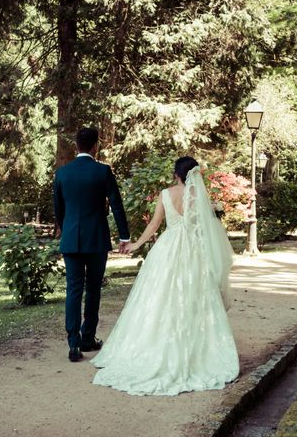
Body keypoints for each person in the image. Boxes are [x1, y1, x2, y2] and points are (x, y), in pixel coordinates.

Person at [91, 156, 239, 395]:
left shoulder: (165, 194)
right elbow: (204, 226)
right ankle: (195, 349)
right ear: (193, 175)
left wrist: (136, 244)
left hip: (168, 247)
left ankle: (155, 347)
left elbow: (153, 226)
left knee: (159, 296)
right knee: (193, 296)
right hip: (193, 249)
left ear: (175, 174)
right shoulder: (198, 197)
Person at [53, 127, 130, 362]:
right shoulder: (102, 171)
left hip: (71, 240)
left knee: (73, 290)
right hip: (96, 239)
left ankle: (73, 345)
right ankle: (88, 337)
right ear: (95, 146)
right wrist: (124, 236)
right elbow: (116, 204)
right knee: (93, 288)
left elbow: (59, 210)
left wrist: (67, 231)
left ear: (77, 146)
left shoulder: (62, 173)